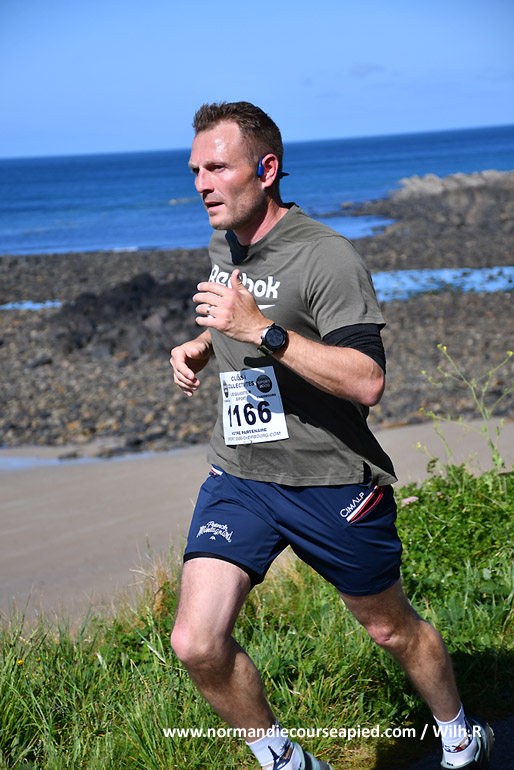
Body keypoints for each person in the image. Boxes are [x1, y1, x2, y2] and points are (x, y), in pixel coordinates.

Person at [169, 101, 494, 770]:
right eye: (196, 169)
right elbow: (241, 316)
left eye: (218, 168)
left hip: (330, 480)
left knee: (390, 629)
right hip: (241, 475)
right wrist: (205, 344)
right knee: (196, 643)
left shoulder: (327, 256)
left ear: (266, 169)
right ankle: (287, 761)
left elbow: (367, 380)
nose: (202, 184)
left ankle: (460, 735)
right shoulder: (224, 241)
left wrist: (259, 330)